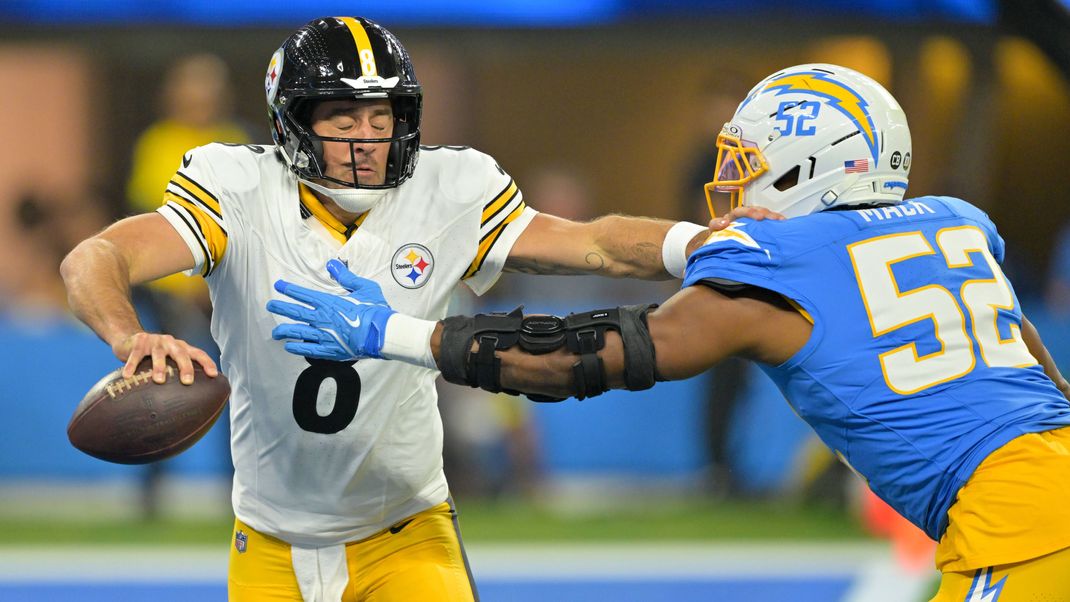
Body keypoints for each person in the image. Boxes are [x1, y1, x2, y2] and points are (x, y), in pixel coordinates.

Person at [270, 63, 1070, 601]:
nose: (738, 180)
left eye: (752, 161)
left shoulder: (779, 262)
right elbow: (1026, 350)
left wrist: (395, 336)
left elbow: (585, 356)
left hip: (1019, 525)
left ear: (807, 167)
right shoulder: (957, 224)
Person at [59, 16, 772, 602]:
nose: (367, 135)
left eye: (382, 113)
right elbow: (94, 257)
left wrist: (695, 242)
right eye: (342, 114)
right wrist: (129, 335)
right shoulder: (235, 187)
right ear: (291, 122)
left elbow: (593, 245)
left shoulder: (449, 185)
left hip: (405, 532)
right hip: (268, 540)